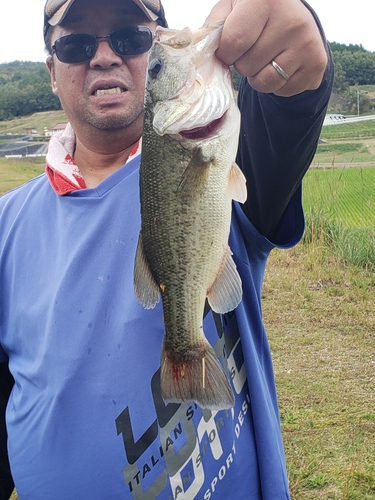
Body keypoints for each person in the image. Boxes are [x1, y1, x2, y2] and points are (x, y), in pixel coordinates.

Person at [0, 0, 333, 498]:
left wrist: (298, 47)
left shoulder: (228, 154)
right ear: (52, 72)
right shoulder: (5, 225)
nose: (105, 57)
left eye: (133, 41)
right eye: (76, 44)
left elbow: (288, 113)